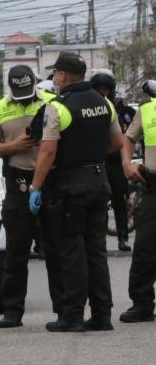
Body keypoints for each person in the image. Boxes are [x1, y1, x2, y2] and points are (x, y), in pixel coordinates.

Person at [28, 52, 127, 332]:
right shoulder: (104, 101)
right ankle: (101, 315)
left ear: (62, 75)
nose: (54, 78)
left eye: (56, 73)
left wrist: (36, 186)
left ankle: (71, 315)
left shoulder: (58, 107)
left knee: (72, 251)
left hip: (70, 185)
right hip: (99, 181)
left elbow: (47, 151)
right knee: (96, 251)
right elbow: (117, 142)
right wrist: (92, 155)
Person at [0, 66, 54, 329]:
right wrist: (14, 146)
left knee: (57, 248)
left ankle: (65, 307)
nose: (24, 97)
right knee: (15, 251)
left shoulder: (51, 102)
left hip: (50, 182)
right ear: (10, 87)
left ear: (35, 83)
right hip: (18, 184)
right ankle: (12, 310)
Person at [118, 80, 156, 323]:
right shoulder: (147, 110)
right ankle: (142, 304)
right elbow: (128, 139)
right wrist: (126, 163)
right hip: (152, 187)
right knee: (145, 248)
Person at [90, 70, 132, 253]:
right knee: (99, 202)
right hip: (97, 160)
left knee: (119, 201)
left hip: (115, 161)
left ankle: (123, 237)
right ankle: (100, 240)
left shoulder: (119, 107)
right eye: (99, 88)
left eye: (105, 88)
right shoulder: (89, 107)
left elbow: (128, 132)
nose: (103, 92)